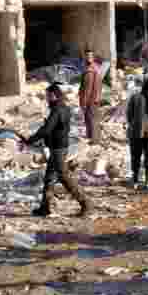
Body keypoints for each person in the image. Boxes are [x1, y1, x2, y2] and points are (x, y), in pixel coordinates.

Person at [21, 84, 89, 217]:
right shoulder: (63, 108)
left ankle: (85, 203)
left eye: (48, 96)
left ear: (54, 95)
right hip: (57, 147)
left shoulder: (57, 110)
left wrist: (30, 140)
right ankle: (44, 207)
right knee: (49, 178)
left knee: (63, 177)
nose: (47, 99)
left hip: (58, 149)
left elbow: (47, 129)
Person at [79, 50, 103, 142]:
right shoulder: (96, 68)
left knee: (91, 119)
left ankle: (94, 139)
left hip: (91, 99)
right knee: (92, 118)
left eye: (89, 56)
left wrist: (84, 102)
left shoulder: (90, 71)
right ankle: (92, 137)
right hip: (95, 98)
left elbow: (87, 89)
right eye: (86, 56)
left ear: (93, 58)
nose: (87, 58)